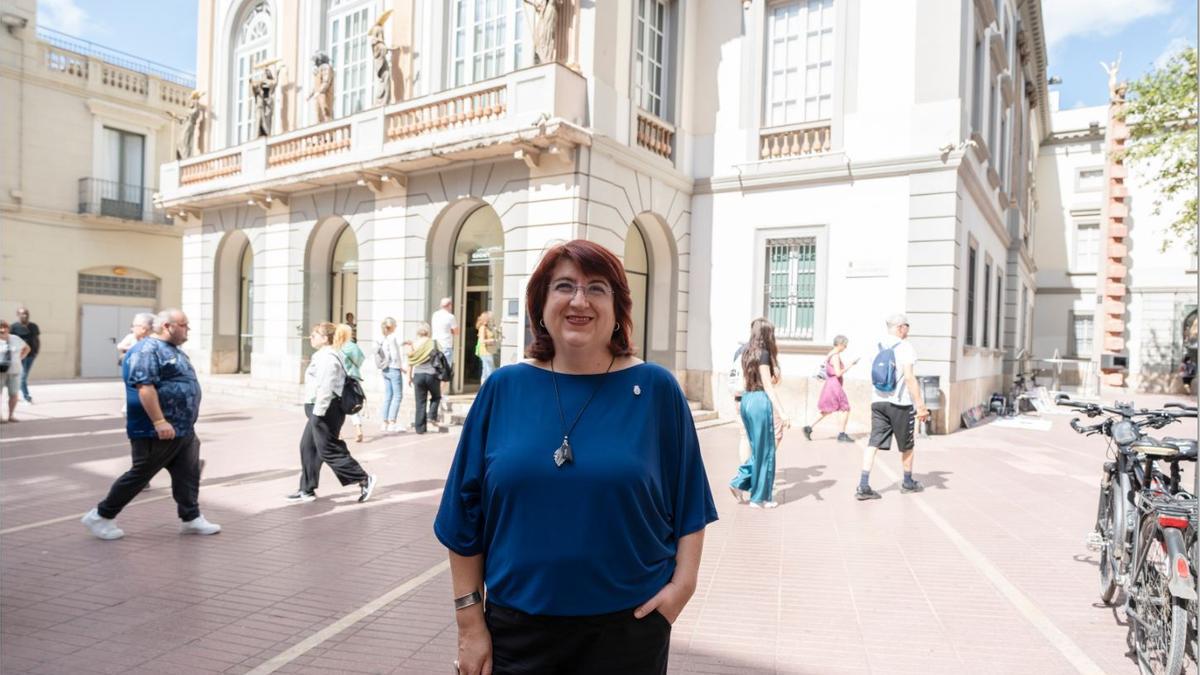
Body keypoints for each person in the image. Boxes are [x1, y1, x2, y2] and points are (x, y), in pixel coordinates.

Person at [434, 239, 717, 675]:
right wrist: (469, 621)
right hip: (517, 633)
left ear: (618, 308)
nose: (579, 301)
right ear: (541, 305)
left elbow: (689, 504)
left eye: (597, 288)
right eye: (564, 286)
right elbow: (462, 514)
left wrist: (683, 587)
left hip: (629, 633)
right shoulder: (503, 389)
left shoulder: (655, 390)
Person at [81, 309, 220, 540]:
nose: (188, 330)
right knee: (140, 475)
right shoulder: (146, 350)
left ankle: (191, 518)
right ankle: (101, 516)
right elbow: (145, 387)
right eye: (184, 325)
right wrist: (159, 421)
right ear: (167, 326)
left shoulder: (174, 351)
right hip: (156, 430)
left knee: (188, 473)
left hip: (183, 429)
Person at [285, 322, 376, 504]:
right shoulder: (323, 355)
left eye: (315, 335)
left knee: (328, 449)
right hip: (320, 408)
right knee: (308, 447)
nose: (311, 338)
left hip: (326, 409)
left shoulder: (328, 357)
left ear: (325, 338)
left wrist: (318, 412)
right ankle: (306, 489)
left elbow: (326, 386)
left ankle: (364, 478)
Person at [859, 313, 930, 501]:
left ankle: (863, 484)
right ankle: (907, 482)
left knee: (873, 442)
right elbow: (909, 377)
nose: (908, 330)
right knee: (907, 444)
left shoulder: (876, 344)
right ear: (901, 327)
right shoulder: (905, 347)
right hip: (900, 403)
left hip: (878, 401)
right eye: (907, 326)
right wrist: (921, 405)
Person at [728, 318, 790, 509]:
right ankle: (758, 498)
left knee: (759, 449)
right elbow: (768, 385)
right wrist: (782, 411)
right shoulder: (763, 354)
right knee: (766, 450)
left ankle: (742, 484)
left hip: (746, 400)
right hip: (759, 400)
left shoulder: (745, 352)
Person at [802, 335, 859, 442]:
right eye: (845, 345)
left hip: (830, 385)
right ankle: (842, 435)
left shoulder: (830, 354)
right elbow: (838, 373)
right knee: (845, 408)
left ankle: (808, 427)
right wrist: (850, 365)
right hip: (835, 385)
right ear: (840, 344)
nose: (846, 347)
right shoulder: (835, 356)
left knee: (827, 409)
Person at [405, 323, 442, 434]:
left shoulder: (414, 344)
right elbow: (441, 356)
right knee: (436, 396)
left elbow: (410, 361)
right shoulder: (434, 343)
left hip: (418, 375)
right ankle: (431, 415)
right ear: (428, 331)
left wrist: (408, 376)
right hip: (432, 374)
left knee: (420, 402)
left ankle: (420, 429)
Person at [338, 323, 366, 442]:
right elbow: (360, 359)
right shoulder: (352, 346)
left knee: (337, 406)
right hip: (351, 378)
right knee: (353, 403)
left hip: (338, 379)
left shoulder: (335, 346)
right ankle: (358, 429)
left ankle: (338, 432)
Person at [377, 317, 406, 433]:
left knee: (388, 395)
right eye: (395, 324)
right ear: (392, 326)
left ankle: (384, 422)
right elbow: (394, 355)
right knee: (398, 395)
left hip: (385, 369)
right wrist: (401, 367)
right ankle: (392, 422)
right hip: (394, 369)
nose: (396, 326)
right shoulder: (392, 337)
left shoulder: (383, 338)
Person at [0, 321, 31, 423]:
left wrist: (20, 358)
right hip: (0, 373)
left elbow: (27, 348)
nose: (3, 330)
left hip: (15, 371)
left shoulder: (15, 338)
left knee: (13, 394)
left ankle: (11, 415)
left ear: (8, 329)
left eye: (5, 327)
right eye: (1, 328)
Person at [11, 307, 39, 404]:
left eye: (26, 313)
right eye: (22, 313)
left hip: (31, 355)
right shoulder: (14, 327)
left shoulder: (33, 326)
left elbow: (37, 340)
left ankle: (14, 394)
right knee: (23, 376)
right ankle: (27, 397)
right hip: (20, 355)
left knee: (23, 376)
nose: (25, 315)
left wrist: (36, 351)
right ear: (18, 314)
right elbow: (10, 340)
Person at [431, 297, 459, 377]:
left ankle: (437, 388)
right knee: (445, 371)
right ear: (449, 306)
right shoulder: (450, 317)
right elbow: (456, 332)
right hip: (446, 345)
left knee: (436, 369)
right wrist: (450, 330)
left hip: (435, 345)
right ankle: (442, 389)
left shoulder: (435, 315)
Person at [474, 310, 498, 384]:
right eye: (490, 318)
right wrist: (492, 340)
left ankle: (483, 387)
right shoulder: (483, 328)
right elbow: (482, 340)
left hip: (487, 351)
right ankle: (489, 388)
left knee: (486, 370)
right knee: (490, 370)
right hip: (485, 351)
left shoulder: (487, 327)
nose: (491, 319)